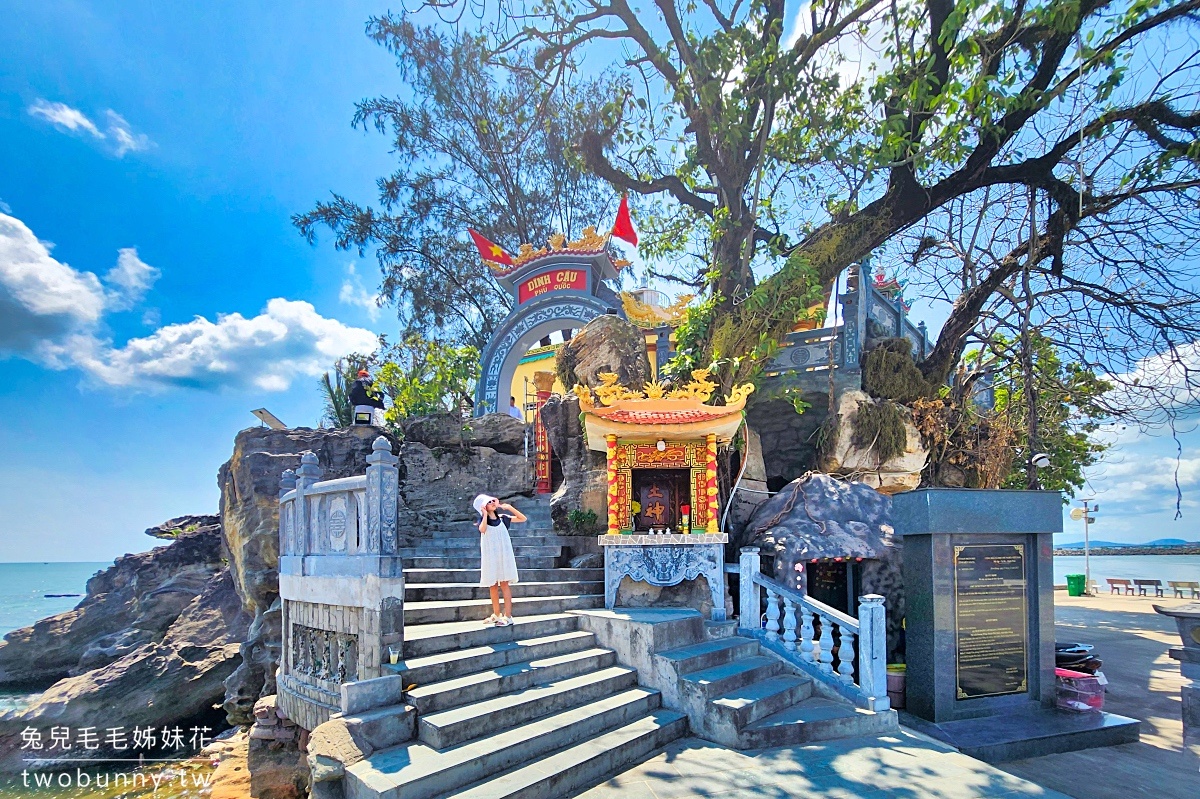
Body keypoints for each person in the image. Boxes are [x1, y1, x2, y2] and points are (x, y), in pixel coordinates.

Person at [473, 494, 526, 626]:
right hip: (491, 556)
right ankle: (496, 614)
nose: (492, 503)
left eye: (492, 501)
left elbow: (522, 518)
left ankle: (508, 616)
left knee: (504, 584)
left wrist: (509, 508)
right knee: (493, 585)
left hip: (503, 555)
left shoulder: (503, 519)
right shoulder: (483, 521)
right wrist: (484, 514)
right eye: (488, 502)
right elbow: (482, 529)